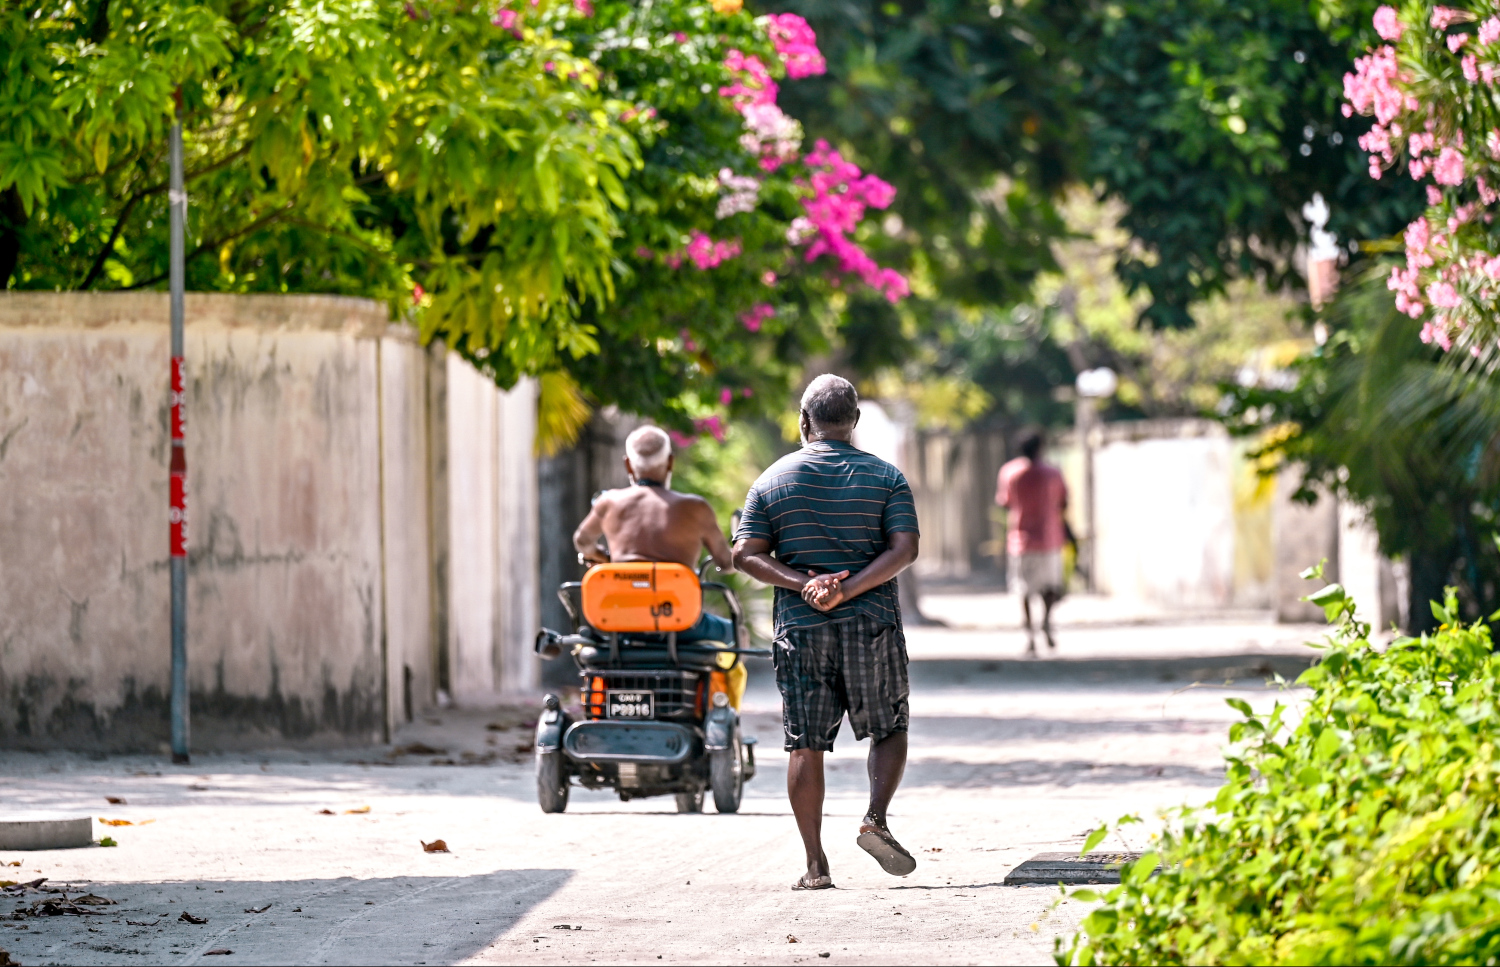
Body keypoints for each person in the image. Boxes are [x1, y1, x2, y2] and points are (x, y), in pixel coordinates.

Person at [732, 374, 920, 891]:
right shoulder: (886, 478)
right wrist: (849, 588)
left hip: (801, 629)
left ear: (803, 420)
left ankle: (815, 865)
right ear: (854, 421)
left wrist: (807, 584)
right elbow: (904, 549)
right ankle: (874, 819)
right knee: (889, 727)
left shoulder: (772, 480)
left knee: (805, 744)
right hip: (871, 624)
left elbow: (745, 553)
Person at [573, 425, 738, 646]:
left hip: (621, 620)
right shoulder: (696, 508)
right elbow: (727, 563)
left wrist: (602, 557)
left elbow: (582, 540)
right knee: (739, 633)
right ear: (670, 462)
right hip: (681, 621)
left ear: (628, 464)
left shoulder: (609, 502)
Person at [996, 429, 1069, 656]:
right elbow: (1064, 502)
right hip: (1049, 538)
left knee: (1024, 590)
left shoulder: (1009, 472)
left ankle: (1030, 636)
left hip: (1021, 539)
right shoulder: (1052, 473)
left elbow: (1004, 502)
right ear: (1041, 447)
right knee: (1051, 586)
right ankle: (1046, 621)